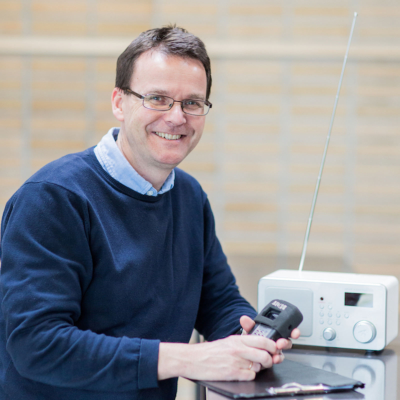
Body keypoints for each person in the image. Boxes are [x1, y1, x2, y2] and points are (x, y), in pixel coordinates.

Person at [0, 26, 300, 400]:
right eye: (157, 98)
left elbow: (218, 301)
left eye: (193, 103)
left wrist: (248, 339)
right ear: (119, 102)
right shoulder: (53, 198)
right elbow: (37, 344)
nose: (177, 117)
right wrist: (185, 359)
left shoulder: (189, 196)